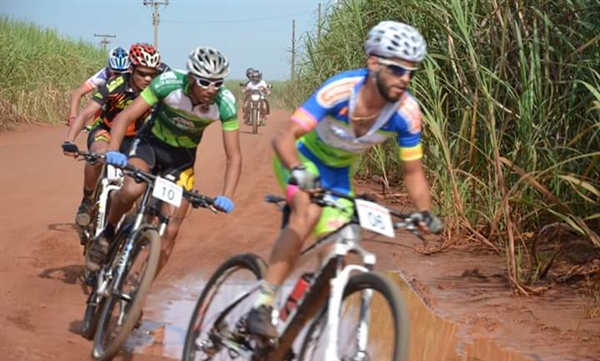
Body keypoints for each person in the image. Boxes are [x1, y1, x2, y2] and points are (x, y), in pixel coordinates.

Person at [245, 21, 443, 339]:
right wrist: (298, 169)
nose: (404, 79)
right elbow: (284, 137)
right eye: (396, 69)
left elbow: (413, 171)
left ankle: (284, 344)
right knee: (306, 214)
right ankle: (263, 304)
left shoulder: (406, 113)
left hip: (337, 174)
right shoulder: (340, 90)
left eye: (411, 72)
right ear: (374, 63)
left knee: (334, 267)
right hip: (301, 157)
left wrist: (424, 213)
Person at [86, 46, 242, 274]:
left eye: (218, 83)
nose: (211, 89)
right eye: (204, 81)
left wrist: (228, 195)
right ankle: (107, 234)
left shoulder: (225, 104)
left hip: (181, 161)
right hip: (150, 145)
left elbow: (234, 156)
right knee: (130, 190)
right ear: (191, 77)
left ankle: (136, 290)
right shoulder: (168, 83)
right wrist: (114, 149)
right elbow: (126, 116)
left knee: (170, 232)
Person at [62, 43, 162, 229]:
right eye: (142, 73)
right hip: (105, 130)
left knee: (141, 177)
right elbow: (85, 114)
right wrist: (70, 140)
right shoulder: (114, 84)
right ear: (131, 69)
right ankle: (87, 199)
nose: (148, 79)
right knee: (98, 154)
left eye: (152, 74)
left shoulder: (157, 89)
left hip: (134, 137)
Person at [66, 46, 130, 127]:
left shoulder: (133, 77)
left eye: (122, 74)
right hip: (103, 112)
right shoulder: (103, 75)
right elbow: (77, 93)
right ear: (109, 68)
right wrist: (73, 117)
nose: (118, 77)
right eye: (115, 73)